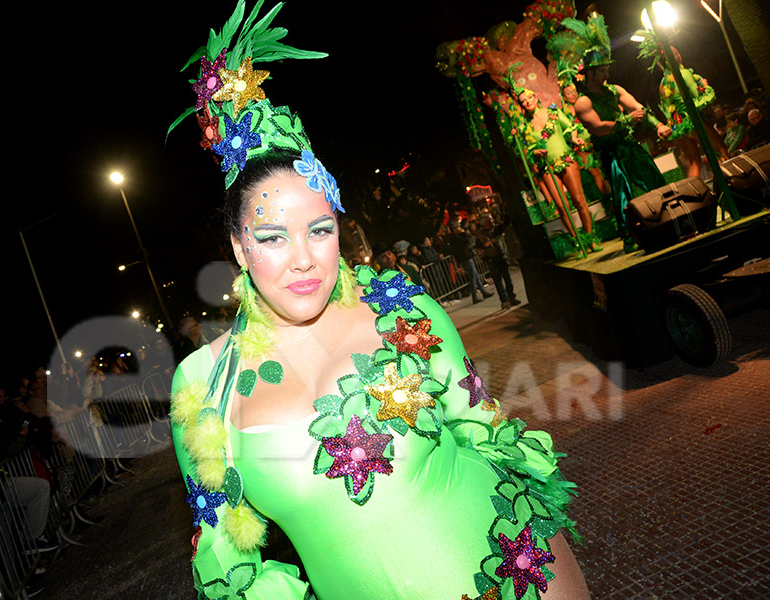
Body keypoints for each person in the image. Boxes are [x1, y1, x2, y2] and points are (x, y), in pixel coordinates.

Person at [167, 5, 589, 599]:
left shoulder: (400, 306)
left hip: (516, 568)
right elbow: (229, 562)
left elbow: (488, 438)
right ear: (238, 246)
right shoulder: (203, 386)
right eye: (271, 237)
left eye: (320, 229)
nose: (304, 258)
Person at [569, 14, 672, 253]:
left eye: (607, 70)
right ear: (591, 73)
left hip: (628, 144)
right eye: (602, 71)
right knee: (622, 192)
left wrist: (657, 124)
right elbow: (598, 128)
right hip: (610, 152)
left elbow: (638, 108)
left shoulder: (615, 89)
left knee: (653, 179)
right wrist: (626, 120)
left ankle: (669, 219)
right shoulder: (583, 101)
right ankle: (631, 236)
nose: (606, 75)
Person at [512, 80, 602, 254]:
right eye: (523, 101)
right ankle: (578, 241)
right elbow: (524, 150)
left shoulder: (552, 112)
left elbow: (570, 128)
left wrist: (574, 138)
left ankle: (590, 237)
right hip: (547, 167)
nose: (527, 102)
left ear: (536, 98)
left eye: (529, 97)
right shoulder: (524, 126)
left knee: (579, 201)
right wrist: (535, 152)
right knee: (561, 206)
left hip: (566, 160)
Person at [636, 40, 729, 177]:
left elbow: (667, 109)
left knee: (694, 162)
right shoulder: (683, 73)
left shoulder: (663, 83)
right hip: (691, 122)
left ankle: (696, 195)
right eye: (678, 53)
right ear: (676, 57)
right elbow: (698, 99)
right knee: (720, 151)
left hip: (677, 127)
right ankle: (731, 188)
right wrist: (705, 86)